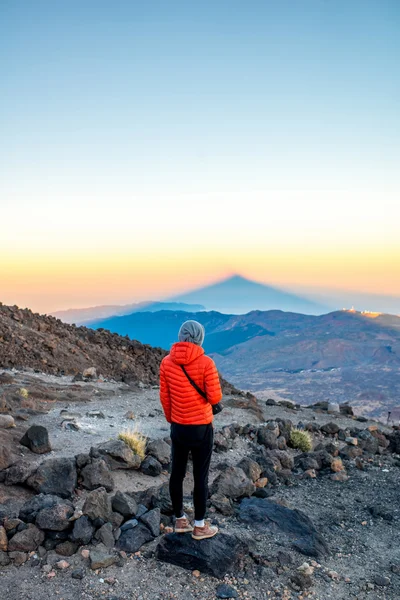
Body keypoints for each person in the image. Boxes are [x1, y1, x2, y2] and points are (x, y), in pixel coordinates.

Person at [159, 319, 222, 540]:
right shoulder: (207, 363)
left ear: (181, 336)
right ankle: (200, 526)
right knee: (200, 477)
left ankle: (179, 520)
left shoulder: (167, 362)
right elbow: (214, 397)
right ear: (200, 338)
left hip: (178, 427)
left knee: (176, 473)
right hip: (201, 429)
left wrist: (172, 419)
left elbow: (165, 398)